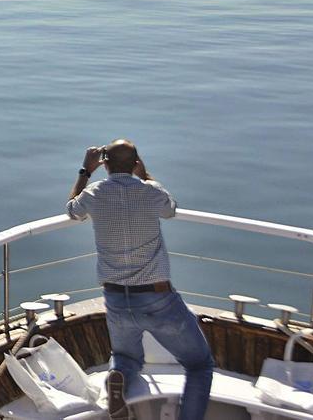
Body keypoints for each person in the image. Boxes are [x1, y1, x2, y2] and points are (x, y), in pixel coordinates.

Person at [65, 139, 214, 420]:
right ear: (135, 164)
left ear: (104, 164)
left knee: (127, 358)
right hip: (158, 299)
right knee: (199, 365)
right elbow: (170, 210)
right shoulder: (150, 192)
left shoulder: (94, 193)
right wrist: (144, 174)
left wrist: (86, 171)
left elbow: (72, 210)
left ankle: (118, 377)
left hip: (116, 299)